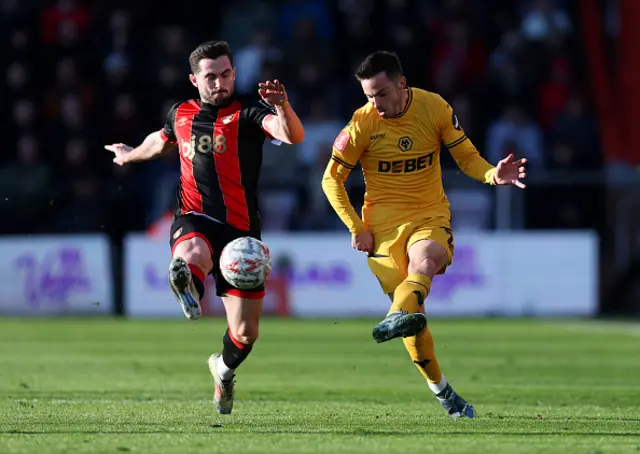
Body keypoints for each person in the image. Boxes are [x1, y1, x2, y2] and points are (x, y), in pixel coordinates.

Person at [321, 51, 526, 420]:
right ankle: (442, 390)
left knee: (426, 260)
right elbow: (330, 180)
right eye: (369, 96)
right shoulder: (360, 124)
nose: (375, 103)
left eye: (381, 93)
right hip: (382, 229)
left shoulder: (434, 107)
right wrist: (357, 227)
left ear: (401, 83)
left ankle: (394, 313)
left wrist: (493, 174)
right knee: (416, 324)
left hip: (428, 214)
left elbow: (465, 156)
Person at [105, 40, 305, 415]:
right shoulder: (180, 112)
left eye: (226, 74)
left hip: (242, 234)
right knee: (192, 253)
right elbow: (161, 141)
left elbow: (292, 135)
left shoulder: (248, 110)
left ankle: (223, 371)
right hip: (194, 216)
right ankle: (188, 284)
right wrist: (129, 154)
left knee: (245, 334)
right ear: (194, 80)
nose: (220, 83)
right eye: (211, 76)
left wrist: (282, 104)